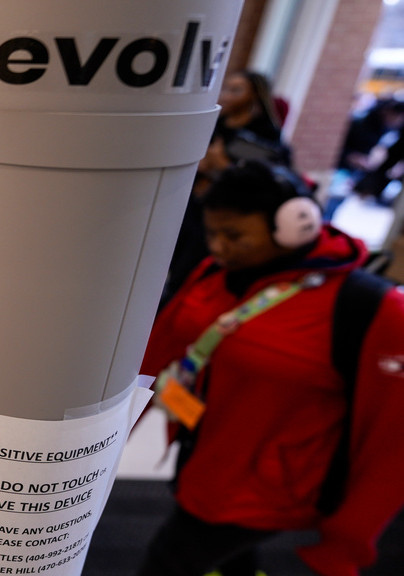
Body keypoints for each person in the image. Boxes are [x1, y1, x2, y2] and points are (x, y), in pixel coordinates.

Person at [138, 160, 404, 576]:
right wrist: (108, 434)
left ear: (295, 222)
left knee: (169, 563)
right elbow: (158, 350)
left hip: (268, 488)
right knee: (230, 562)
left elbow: (393, 437)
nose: (219, 248)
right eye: (213, 233)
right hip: (203, 455)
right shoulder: (216, 273)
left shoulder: (371, 309)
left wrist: (350, 537)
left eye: (235, 235)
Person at [159, 71, 292, 309]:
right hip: (189, 207)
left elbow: (265, 185)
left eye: (237, 90)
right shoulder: (213, 124)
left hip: (224, 220)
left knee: (190, 276)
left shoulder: (265, 137)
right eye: (225, 88)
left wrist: (222, 167)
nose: (227, 95)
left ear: (256, 96)